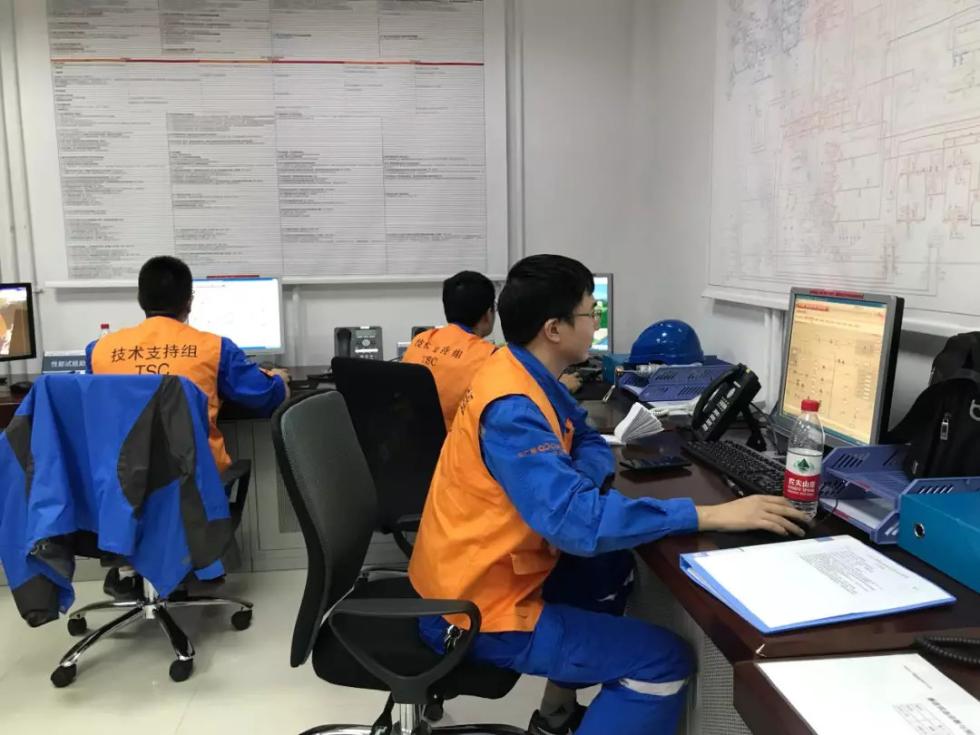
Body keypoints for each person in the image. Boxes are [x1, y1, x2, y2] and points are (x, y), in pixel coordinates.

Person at [408, 254, 810, 735]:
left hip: (485, 572)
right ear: (554, 329)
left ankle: (555, 715)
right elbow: (579, 525)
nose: (596, 323)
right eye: (589, 312)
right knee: (663, 661)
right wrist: (710, 515)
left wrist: (575, 481)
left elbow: (588, 439)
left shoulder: (522, 372)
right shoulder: (513, 405)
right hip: (470, 611)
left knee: (607, 568)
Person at [87, 255, 290, 474]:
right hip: (196, 484)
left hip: (120, 483)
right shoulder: (215, 348)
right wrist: (279, 379)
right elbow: (268, 397)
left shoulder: (99, 350)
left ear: (140, 299)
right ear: (189, 302)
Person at [402, 271, 498, 429]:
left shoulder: (420, 340)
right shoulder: (491, 357)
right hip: (458, 441)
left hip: (412, 437)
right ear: (488, 314)